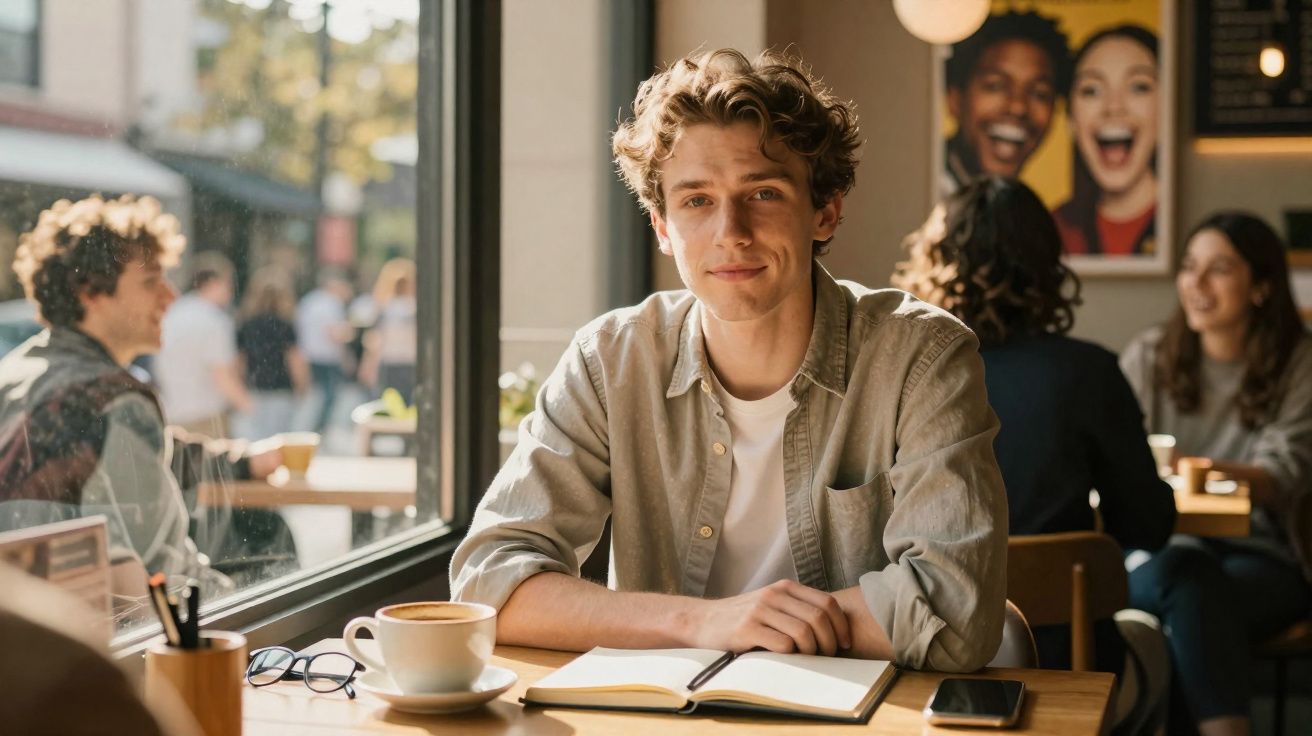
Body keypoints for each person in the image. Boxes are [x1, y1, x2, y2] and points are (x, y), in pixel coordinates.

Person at [451, 49, 1008, 671]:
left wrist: (758, 628)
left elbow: (957, 614)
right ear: (662, 225)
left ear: (825, 211)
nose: (731, 232)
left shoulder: (921, 358)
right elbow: (489, 585)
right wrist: (706, 622)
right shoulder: (610, 360)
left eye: (763, 193)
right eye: (696, 201)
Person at [892, 176, 1175, 725]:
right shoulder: (1087, 372)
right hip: (1065, 659)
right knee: (1158, 647)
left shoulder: (903, 376)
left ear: (935, 258)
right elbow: (1147, 525)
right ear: (1047, 266)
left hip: (921, 662)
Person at [0, 195, 283, 590]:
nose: (170, 295)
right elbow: (167, 571)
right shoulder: (116, 400)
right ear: (90, 292)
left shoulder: (16, 374)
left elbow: (121, 459)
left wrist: (242, 462)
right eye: (151, 281)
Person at [1120, 212, 1312, 736]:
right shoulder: (1150, 356)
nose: (1196, 284)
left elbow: (1282, 476)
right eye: (1189, 267)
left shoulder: (1300, 363)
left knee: (1194, 596)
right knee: (1189, 578)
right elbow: (1114, 463)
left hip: (1262, 559)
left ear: (1261, 287)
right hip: (1159, 553)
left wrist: (1189, 469)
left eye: (1218, 269)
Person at [1053, 26, 1160, 257]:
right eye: (1091, 90)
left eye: (1138, 87)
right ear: (1070, 118)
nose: (1114, 107)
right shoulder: (1052, 228)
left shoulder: (1189, 220)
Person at [942, 10, 1071, 195]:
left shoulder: (1022, 211)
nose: (1018, 107)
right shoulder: (912, 191)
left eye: (1039, 93)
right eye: (996, 86)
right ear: (954, 99)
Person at [155, 251, 252, 437]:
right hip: (207, 418)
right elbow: (222, 376)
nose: (230, 292)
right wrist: (247, 405)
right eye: (228, 284)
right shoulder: (214, 320)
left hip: (172, 414)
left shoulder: (172, 314)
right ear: (214, 283)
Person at [236, 266, 309, 439]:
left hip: (254, 388)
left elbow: (240, 361)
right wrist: (302, 386)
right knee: (279, 439)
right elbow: (295, 359)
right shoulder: (285, 325)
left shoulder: (247, 325)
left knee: (256, 440)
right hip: (281, 388)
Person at [296, 272, 353, 433]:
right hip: (326, 359)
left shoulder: (308, 301)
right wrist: (350, 332)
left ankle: (309, 430)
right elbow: (335, 333)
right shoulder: (331, 304)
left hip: (309, 357)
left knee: (313, 397)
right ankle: (319, 429)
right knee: (328, 397)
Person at [358, 257, 418, 402]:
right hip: (411, 362)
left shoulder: (384, 309)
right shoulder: (416, 309)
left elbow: (375, 340)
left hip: (390, 362)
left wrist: (368, 365)